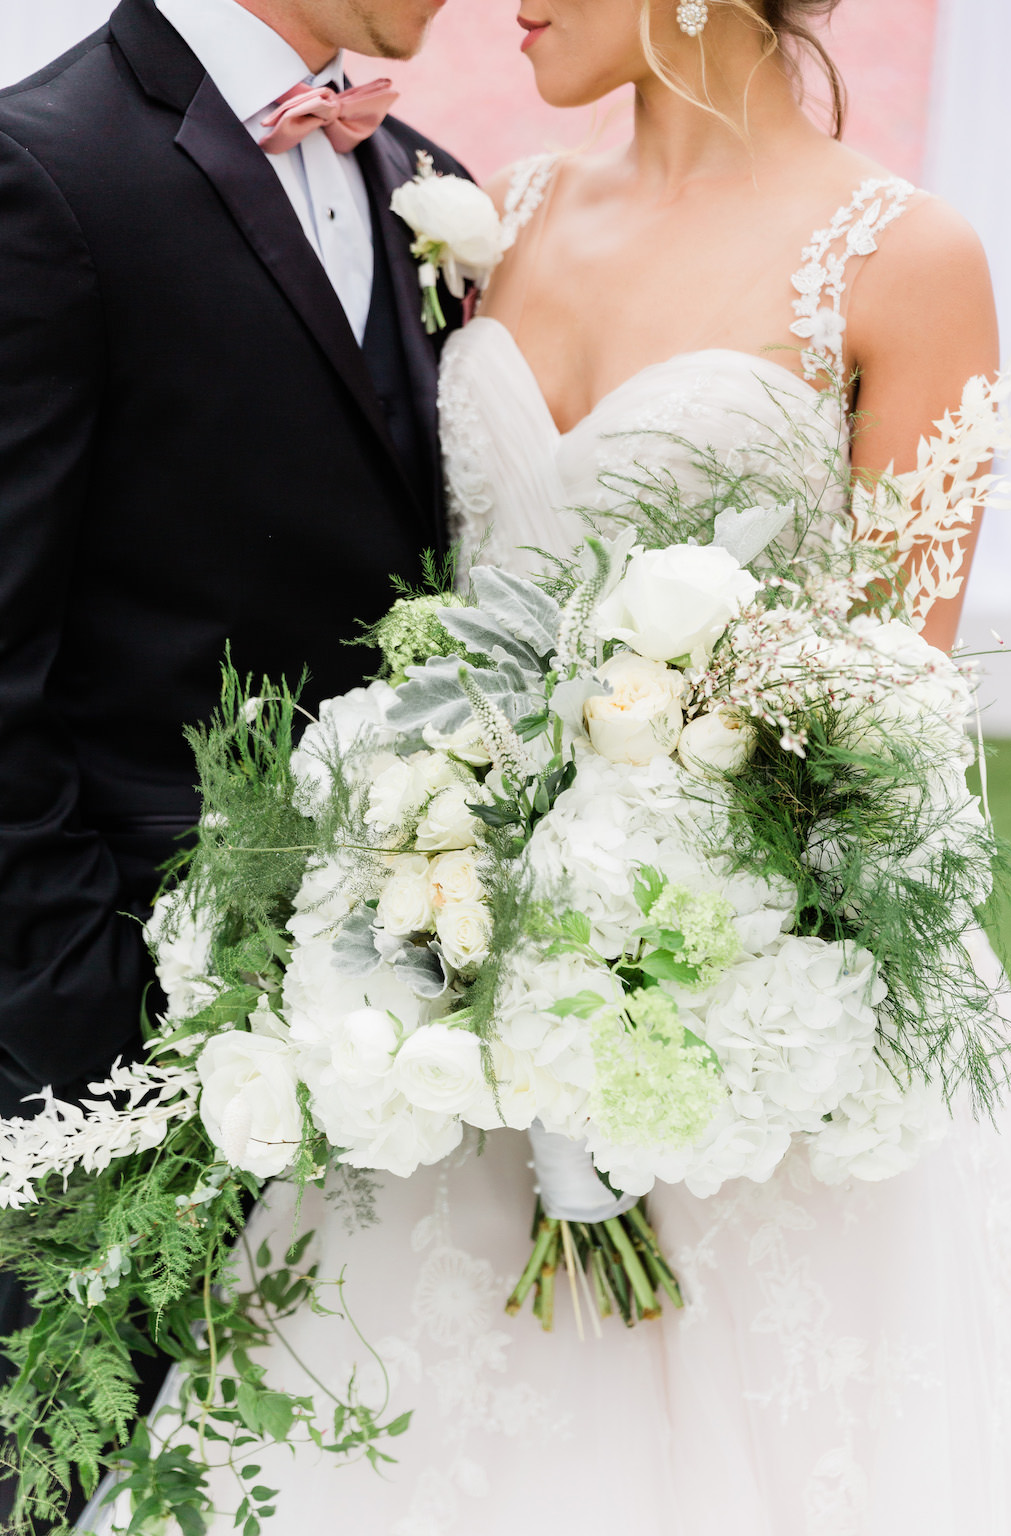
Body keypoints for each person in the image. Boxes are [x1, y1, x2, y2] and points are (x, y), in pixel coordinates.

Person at [170, 3, 1011, 1535]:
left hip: (750, 1029)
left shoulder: (908, 258)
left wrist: (660, 945)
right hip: (447, 999)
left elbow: (893, 720)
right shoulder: (519, 210)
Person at [0, 0, 466, 1522]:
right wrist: (96, 1046)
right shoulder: (46, 168)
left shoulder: (426, 180)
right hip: (116, 1075)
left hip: (399, 1081)